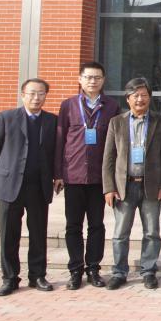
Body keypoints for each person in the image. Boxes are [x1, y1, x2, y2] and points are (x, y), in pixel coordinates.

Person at [0, 78, 58, 296]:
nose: (36, 98)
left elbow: (56, 152)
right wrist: (7, 170)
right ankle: (10, 278)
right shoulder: (6, 117)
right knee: (9, 234)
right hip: (10, 186)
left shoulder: (52, 121)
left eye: (41, 93)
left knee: (38, 233)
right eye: (32, 93)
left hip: (38, 186)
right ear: (23, 95)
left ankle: (37, 276)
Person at [102, 77, 161, 290]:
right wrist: (109, 187)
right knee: (120, 234)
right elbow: (109, 157)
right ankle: (119, 272)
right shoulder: (117, 122)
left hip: (151, 186)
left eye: (144, 95)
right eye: (135, 95)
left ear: (150, 98)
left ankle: (148, 271)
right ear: (128, 99)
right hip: (124, 187)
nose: (140, 99)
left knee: (151, 232)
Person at [53, 61, 120, 290]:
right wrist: (58, 173)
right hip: (73, 175)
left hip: (99, 177)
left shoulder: (111, 106)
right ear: (80, 79)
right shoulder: (68, 105)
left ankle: (93, 268)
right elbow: (60, 140)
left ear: (103, 80)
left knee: (96, 225)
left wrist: (113, 178)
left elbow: (116, 145)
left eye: (97, 77)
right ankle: (75, 270)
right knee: (73, 226)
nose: (93, 81)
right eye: (88, 77)